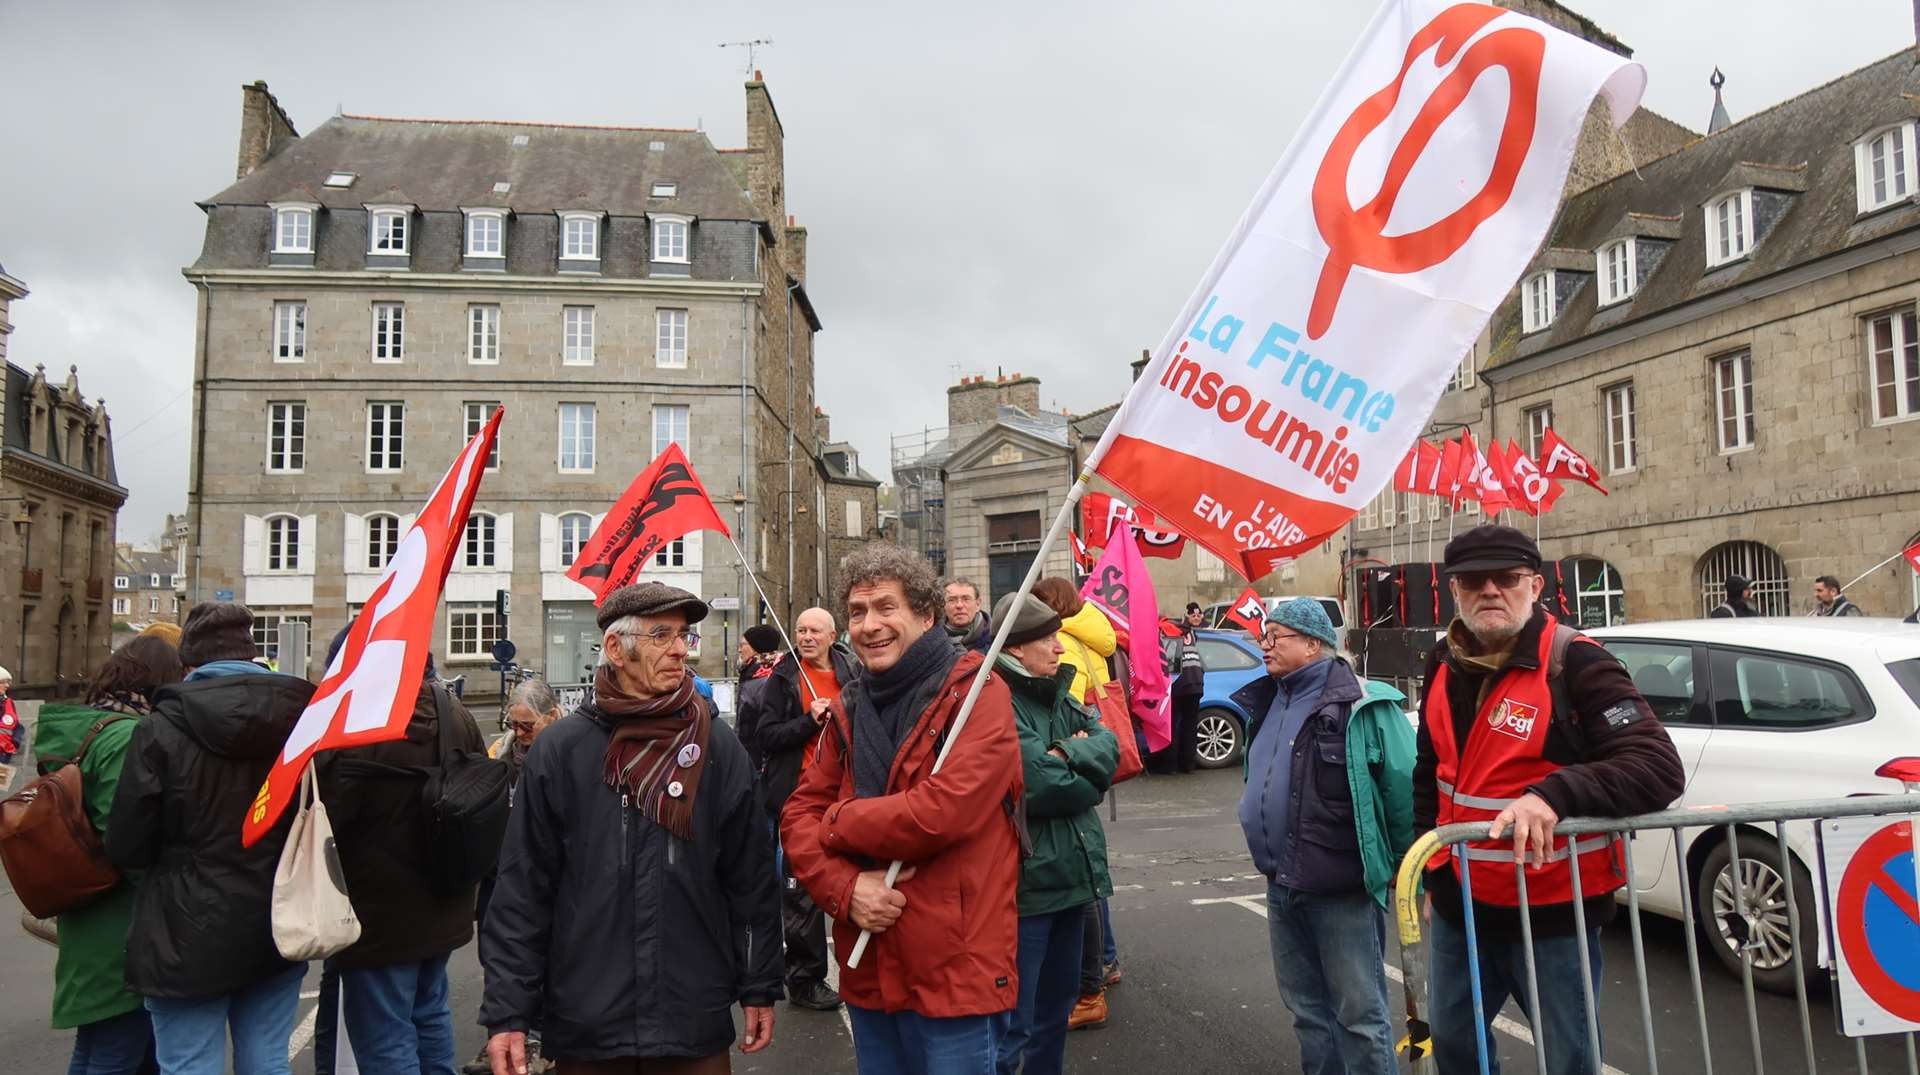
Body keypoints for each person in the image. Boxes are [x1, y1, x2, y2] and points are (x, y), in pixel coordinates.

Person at [480, 582, 781, 1075]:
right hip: (588, 1019)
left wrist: (759, 985)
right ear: (616, 649)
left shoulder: (718, 748)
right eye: (661, 634)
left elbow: (750, 879)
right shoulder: (562, 750)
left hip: (693, 1016)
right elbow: (522, 890)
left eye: (684, 634)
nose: (680, 648)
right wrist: (508, 1012)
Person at [1415, 526, 1684, 1075]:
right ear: (1454, 591)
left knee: (1569, 1059)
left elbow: (1657, 767)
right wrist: (1428, 868)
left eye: (1507, 579)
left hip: (1553, 912)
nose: (1490, 591)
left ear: (1535, 586)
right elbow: (1431, 775)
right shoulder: (1441, 661)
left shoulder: (1576, 662)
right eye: (1473, 580)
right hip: (1459, 905)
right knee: (1453, 1044)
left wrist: (1553, 796)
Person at [782, 543, 1023, 1074]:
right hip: (869, 965)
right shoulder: (849, 705)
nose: (869, 625)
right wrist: (846, 891)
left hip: (954, 970)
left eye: (886, 607)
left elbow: (941, 812)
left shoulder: (979, 694)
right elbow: (798, 817)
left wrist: (839, 821)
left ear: (926, 613)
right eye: (858, 612)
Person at [105, 602, 318, 1075]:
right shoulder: (302, 725)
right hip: (277, 916)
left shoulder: (160, 728)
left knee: (188, 1064)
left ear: (190, 663)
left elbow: (127, 843)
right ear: (251, 654)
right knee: (267, 1060)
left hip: (183, 924)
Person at [1234, 599, 1413, 1075]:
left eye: (1277, 636)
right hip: (1281, 884)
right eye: (1263, 636)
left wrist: (1404, 868)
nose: (1265, 645)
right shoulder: (1270, 699)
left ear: (1314, 644)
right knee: (1308, 1014)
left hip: (1340, 889)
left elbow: (1402, 788)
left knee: (1359, 1016)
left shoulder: (1363, 704)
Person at [313, 627, 487, 1074]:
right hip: (443, 898)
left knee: (384, 1034)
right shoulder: (455, 713)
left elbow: (330, 813)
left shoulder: (361, 722)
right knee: (429, 1014)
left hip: (380, 912)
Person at [36, 636, 185, 1075]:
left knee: (97, 1045)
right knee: (119, 1049)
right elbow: (126, 832)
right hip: (121, 917)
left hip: (88, 907)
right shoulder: (126, 735)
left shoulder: (83, 726)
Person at [990, 592, 1117, 1075]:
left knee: (1055, 1012)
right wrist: (1078, 760)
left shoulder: (1057, 692)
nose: (1060, 648)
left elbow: (1111, 745)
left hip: (1073, 880)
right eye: (1049, 639)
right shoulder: (998, 698)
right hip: (1027, 889)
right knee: (1014, 1023)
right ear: (1018, 648)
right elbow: (1037, 785)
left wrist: (1065, 755)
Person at [736, 606, 857, 1013]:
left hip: (848, 792)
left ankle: (860, 972)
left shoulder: (852, 672)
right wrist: (808, 720)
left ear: (832, 635)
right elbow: (766, 735)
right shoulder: (783, 678)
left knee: (850, 881)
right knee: (801, 889)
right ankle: (804, 981)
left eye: (814, 631)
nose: (806, 637)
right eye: (800, 630)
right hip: (798, 796)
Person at [466, 677, 564, 1075]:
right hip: (500, 872)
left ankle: (542, 1036)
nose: (519, 734)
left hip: (546, 875)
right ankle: (506, 1033)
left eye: (528, 725)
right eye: (514, 724)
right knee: (497, 954)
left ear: (553, 717)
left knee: (545, 957)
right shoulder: (500, 753)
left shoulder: (567, 752)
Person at [1031, 577, 1113, 702]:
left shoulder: (1063, 643)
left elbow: (1070, 707)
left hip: (1085, 719)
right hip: (1099, 717)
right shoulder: (1084, 632)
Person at [1168, 603, 1209, 775]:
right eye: (1193, 615)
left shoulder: (1190, 632)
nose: (1197, 618)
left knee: (1178, 725)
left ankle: (1175, 764)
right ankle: (1185, 764)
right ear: (1186, 615)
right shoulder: (1182, 630)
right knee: (1185, 725)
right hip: (1189, 683)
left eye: (1199, 615)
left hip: (1185, 684)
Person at [942, 577, 992, 654]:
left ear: (978, 604)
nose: (959, 605)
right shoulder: (931, 641)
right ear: (943, 605)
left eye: (966, 599)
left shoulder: (996, 639)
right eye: (952, 600)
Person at [0, 666, 18, 791]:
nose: (7, 685)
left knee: (0, 788)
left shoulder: (8, 702)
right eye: (2, 682)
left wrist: (15, 743)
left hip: (5, 753)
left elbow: (17, 725)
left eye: (8, 682)